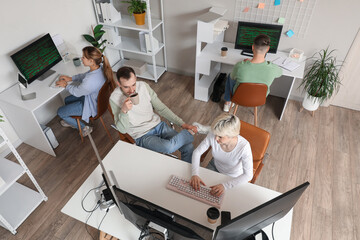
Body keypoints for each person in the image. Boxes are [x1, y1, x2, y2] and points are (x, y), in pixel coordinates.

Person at [109, 66, 198, 163]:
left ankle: (187, 175)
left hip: (158, 126)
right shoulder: (114, 98)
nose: (131, 90)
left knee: (188, 147)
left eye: (133, 84)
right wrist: (124, 111)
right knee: (168, 147)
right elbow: (122, 129)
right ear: (119, 84)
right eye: (126, 87)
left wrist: (183, 124)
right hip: (142, 135)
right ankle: (188, 134)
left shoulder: (143, 86)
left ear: (136, 79)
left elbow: (162, 108)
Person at [190, 113, 253, 196]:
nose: (216, 138)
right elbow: (197, 152)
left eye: (220, 137)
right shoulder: (214, 133)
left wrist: (225, 186)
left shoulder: (244, 147)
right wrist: (195, 174)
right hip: (214, 166)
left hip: (232, 176)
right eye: (216, 135)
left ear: (232, 136)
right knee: (198, 191)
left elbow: (248, 175)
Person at [56, 46, 115, 137]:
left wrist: (65, 85)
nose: (81, 58)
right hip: (95, 101)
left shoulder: (89, 81)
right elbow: (85, 76)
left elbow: (77, 92)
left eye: (83, 57)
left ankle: (85, 128)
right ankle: (71, 119)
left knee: (60, 112)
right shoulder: (100, 68)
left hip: (91, 106)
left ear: (91, 61)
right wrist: (71, 78)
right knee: (67, 100)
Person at [223, 34, 282, 112]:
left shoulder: (240, 66)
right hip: (259, 99)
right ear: (268, 49)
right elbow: (280, 73)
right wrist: (269, 64)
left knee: (230, 76)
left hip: (239, 97)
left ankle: (227, 103)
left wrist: (247, 63)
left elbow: (233, 77)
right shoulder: (273, 69)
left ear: (253, 47)